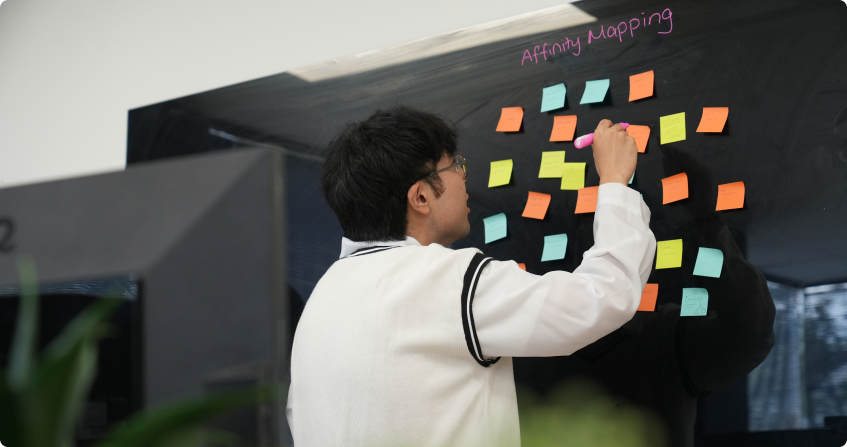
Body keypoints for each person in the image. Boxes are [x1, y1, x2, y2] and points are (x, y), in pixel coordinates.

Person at [286, 105, 656, 446]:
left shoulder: (321, 300)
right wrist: (614, 182)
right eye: (456, 167)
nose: (465, 179)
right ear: (420, 198)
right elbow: (601, 297)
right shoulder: (449, 280)